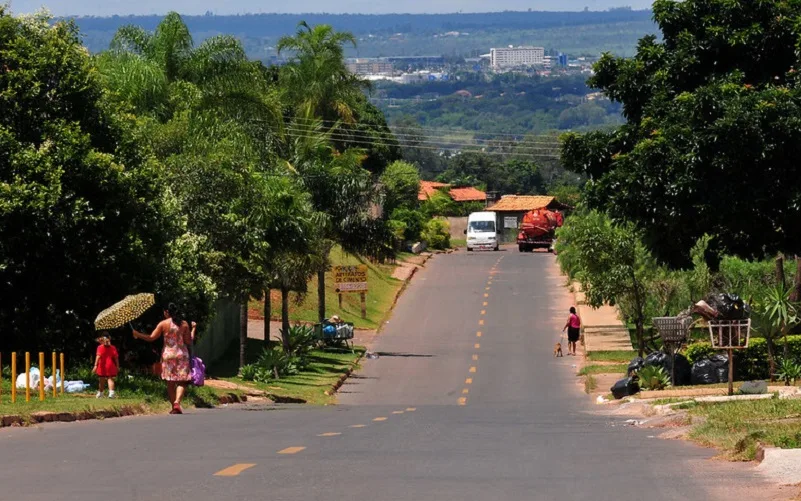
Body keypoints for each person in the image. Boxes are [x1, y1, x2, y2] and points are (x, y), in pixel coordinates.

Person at [132, 303, 192, 414]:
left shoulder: (163, 324)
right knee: (182, 382)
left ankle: (174, 407)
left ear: (166, 312)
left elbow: (151, 338)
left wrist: (137, 334)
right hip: (181, 355)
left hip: (168, 355)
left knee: (170, 382)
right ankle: (177, 403)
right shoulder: (184, 324)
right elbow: (188, 341)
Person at [93, 333, 119, 398]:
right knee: (110, 379)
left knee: (101, 380)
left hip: (102, 366)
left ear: (102, 340)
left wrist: (95, 365)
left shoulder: (100, 347)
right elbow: (116, 358)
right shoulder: (113, 347)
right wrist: (118, 366)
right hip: (111, 365)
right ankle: (111, 393)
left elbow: (98, 357)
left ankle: (100, 393)